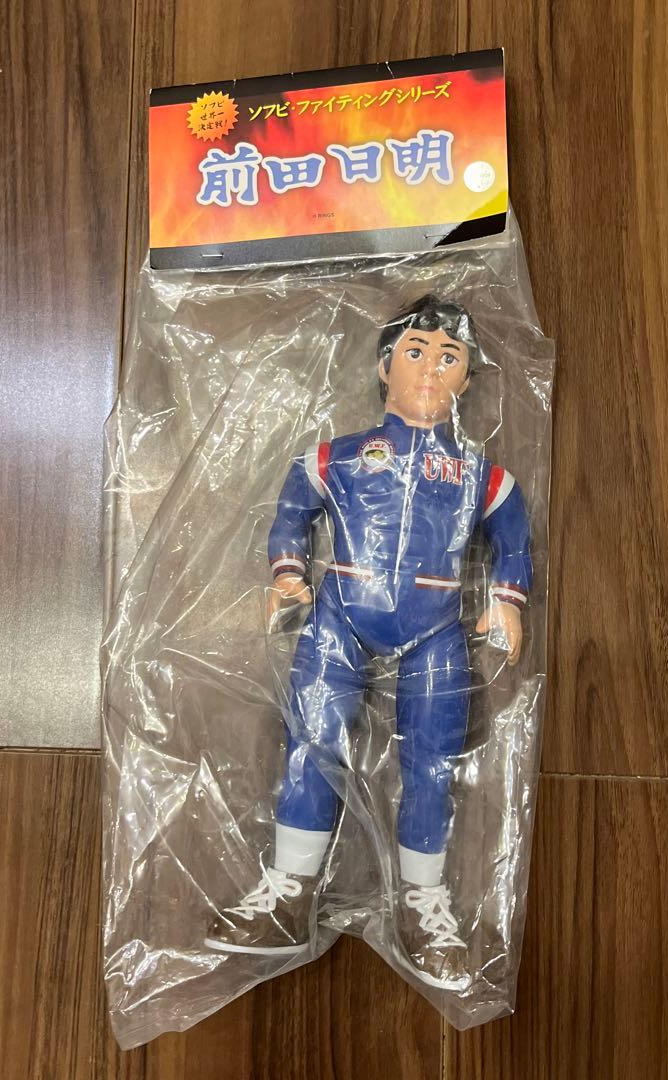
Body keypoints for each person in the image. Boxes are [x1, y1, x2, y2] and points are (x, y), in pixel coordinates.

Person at [205, 295, 532, 990]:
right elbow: (293, 509)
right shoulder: (338, 456)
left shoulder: (483, 477)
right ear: (385, 367)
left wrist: (507, 600)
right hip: (341, 617)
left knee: (433, 765)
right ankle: (289, 893)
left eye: (449, 356)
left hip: (437, 627)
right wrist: (287, 574)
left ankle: (422, 904)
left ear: (467, 377)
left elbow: (512, 536)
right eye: (416, 351)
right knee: (311, 745)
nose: (430, 368)